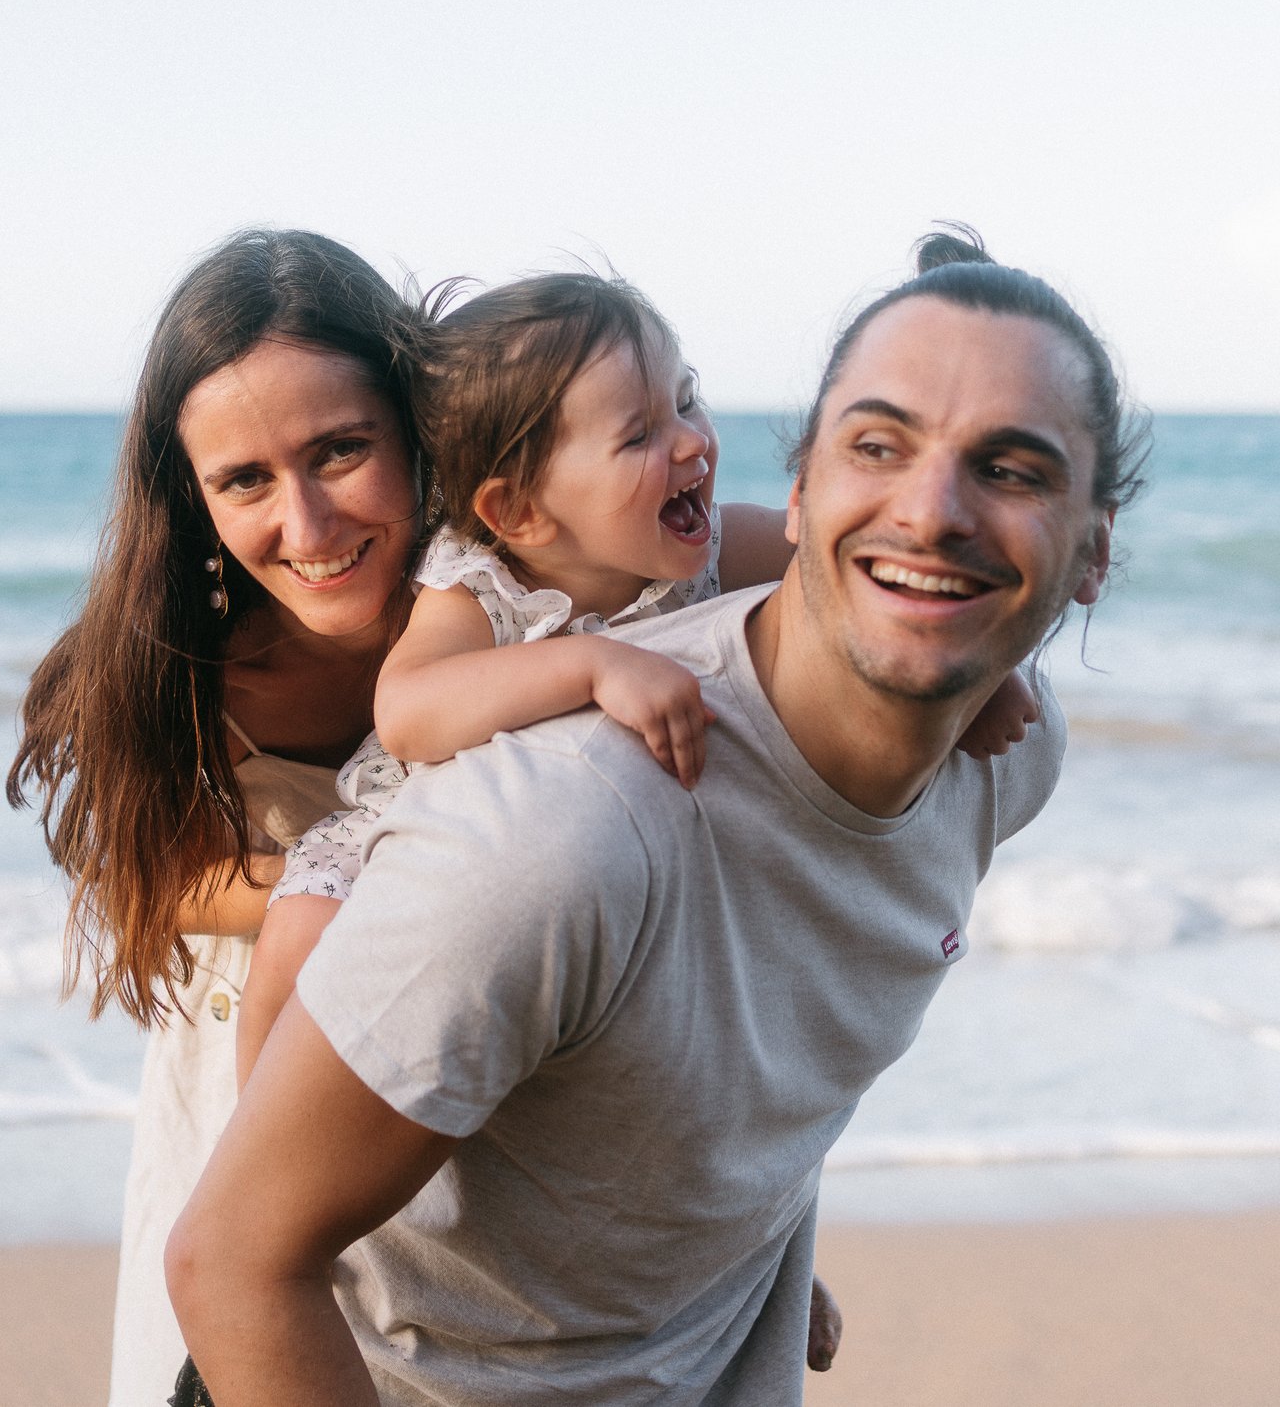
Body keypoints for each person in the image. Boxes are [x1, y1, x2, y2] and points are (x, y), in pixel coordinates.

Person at [166, 227, 1148, 1405]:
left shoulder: (1000, 761)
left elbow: (729, 1051)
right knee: (303, 956)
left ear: (1094, 553)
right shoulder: (546, 826)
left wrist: (759, 1247)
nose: (929, 511)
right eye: (877, 446)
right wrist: (586, 673)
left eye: (1012, 469)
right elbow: (233, 1260)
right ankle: (255, 1139)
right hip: (375, 1338)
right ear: (805, 492)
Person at [236, 270, 1043, 1082]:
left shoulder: (726, 546)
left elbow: (871, 583)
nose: (692, 442)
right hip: (411, 833)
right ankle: (255, 1157)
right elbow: (410, 712)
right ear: (520, 513)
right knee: (298, 929)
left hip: (597, 871)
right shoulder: (482, 588)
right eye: (639, 436)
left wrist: (963, 670)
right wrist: (590, 664)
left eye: (687, 400)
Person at [6, 228, 432, 1407]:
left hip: (454, 1070)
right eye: (244, 481)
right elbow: (145, 878)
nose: (305, 523)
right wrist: (347, 877)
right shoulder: (173, 657)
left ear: (415, 425)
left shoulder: (502, 605)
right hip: (235, 1080)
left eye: (341, 451)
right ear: (191, 497)